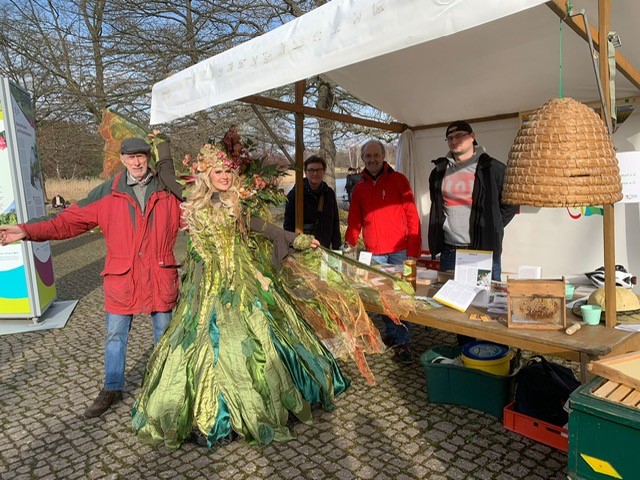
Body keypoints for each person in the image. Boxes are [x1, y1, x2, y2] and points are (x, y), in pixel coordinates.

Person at [133, 132, 393, 451]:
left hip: (240, 278)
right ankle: (211, 411)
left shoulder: (234, 205)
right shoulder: (191, 196)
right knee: (207, 340)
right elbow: (168, 174)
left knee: (254, 336)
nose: (226, 177)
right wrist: (162, 144)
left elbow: (261, 226)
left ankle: (257, 401)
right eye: (219, 172)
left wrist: (295, 239)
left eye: (229, 172)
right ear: (206, 175)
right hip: (206, 283)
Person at [0, 137, 183, 418]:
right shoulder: (107, 193)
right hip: (122, 279)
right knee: (115, 336)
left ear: (149, 157)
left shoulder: (168, 191)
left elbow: (201, 217)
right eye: (130, 157)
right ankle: (112, 387)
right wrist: (26, 231)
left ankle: (166, 385)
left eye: (141, 156)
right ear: (122, 159)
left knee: (166, 335)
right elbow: (67, 221)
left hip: (160, 275)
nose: (136, 162)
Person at [345, 140, 422, 364]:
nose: (372, 159)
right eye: (367, 156)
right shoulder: (359, 187)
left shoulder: (399, 180)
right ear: (363, 159)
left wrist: (413, 251)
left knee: (401, 297)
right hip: (375, 253)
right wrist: (349, 247)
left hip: (400, 251)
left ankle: (404, 341)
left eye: (375, 155)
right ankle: (394, 334)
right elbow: (354, 221)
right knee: (381, 298)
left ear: (383, 155)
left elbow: (412, 216)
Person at [427, 121, 518, 282]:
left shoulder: (493, 168)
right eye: (450, 138)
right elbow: (437, 204)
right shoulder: (439, 172)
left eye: (459, 136)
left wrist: (492, 225)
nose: (454, 141)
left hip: (483, 251)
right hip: (450, 252)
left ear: (472, 137)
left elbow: (511, 204)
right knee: (450, 302)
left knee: (485, 303)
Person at [283, 155, 341, 249]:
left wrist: (337, 248)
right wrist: (295, 245)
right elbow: (288, 225)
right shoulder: (295, 194)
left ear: (323, 172)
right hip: (304, 247)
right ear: (305, 172)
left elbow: (335, 222)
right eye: (311, 170)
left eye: (319, 170)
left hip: (325, 247)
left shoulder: (329, 193)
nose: (315, 173)